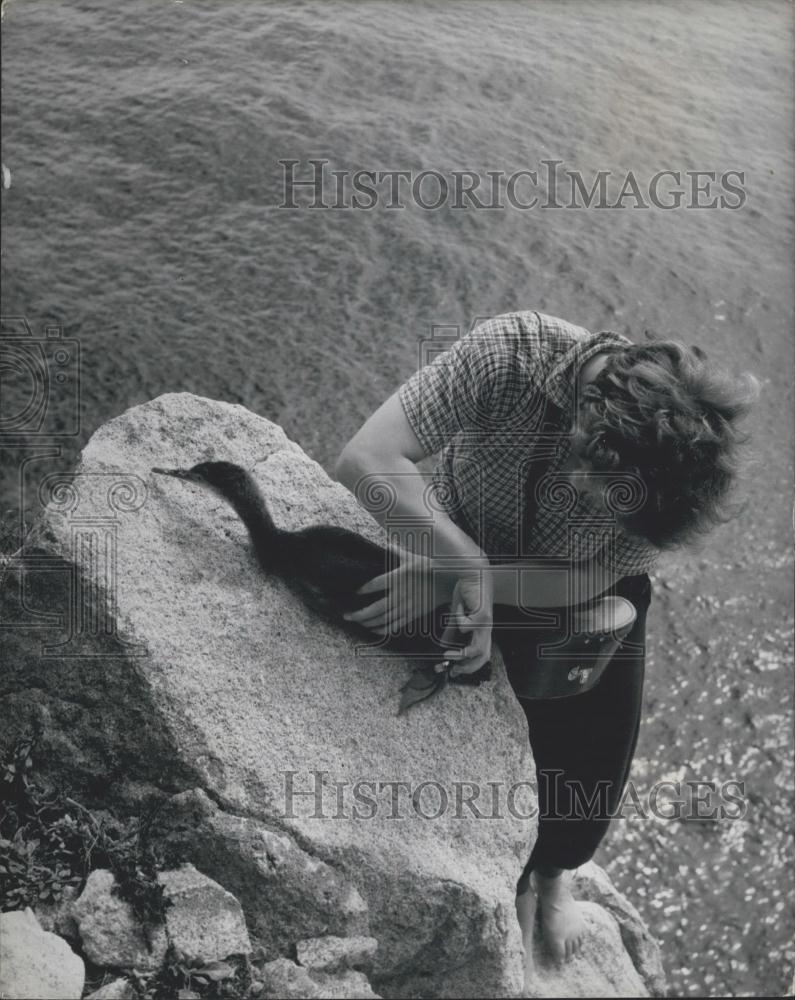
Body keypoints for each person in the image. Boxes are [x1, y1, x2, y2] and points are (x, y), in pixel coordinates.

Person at [333, 310, 757, 973]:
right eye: (599, 486)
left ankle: (552, 874)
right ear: (590, 423)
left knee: (591, 767)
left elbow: (595, 570)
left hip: (579, 593)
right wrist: (458, 566)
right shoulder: (509, 355)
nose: (595, 506)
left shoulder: (663, 487)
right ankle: (507, 877)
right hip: (451, 538)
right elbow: (366, 458)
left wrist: (472, 585)